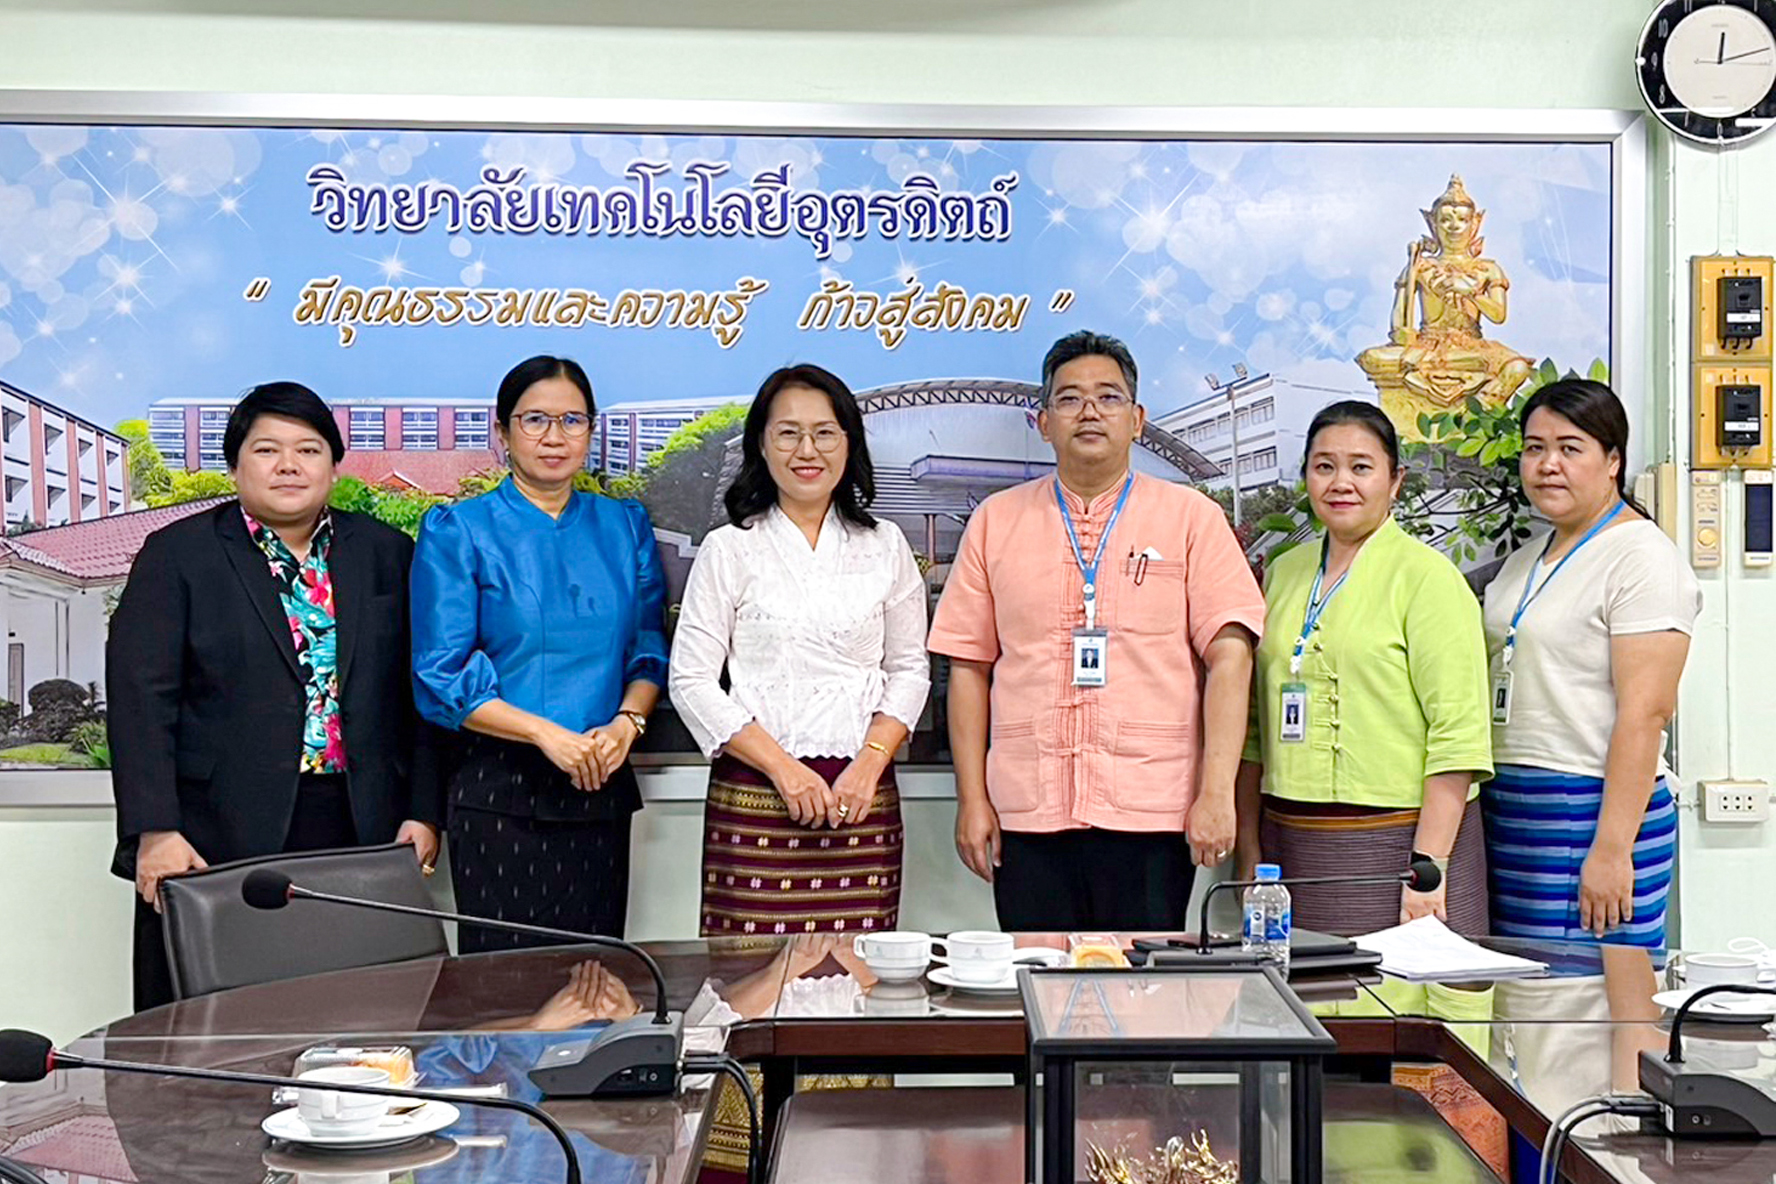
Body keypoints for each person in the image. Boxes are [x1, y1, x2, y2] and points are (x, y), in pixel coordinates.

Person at [107, 382, 442, 1011]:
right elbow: (140, 700)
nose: (289, 465)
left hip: (360, 825)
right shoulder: (177, 556)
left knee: (360, 1015)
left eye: (308, 450)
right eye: (267, 450)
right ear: (235, 465)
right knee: (219, 1026)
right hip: (215, 834)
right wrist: (156, 830)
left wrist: (424, 810)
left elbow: (419, 691)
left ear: (333, 464)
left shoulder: (387, 553)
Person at [927, 330, 1264, 930]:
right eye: (1069, 399)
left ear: (1137, 420)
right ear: (1043, 423)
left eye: (1108, 398)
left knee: (1141, 996)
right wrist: (973, 799)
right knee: (1038, 991)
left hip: (1152, 811)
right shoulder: (995, 522)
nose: (1089, 411)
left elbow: (1231, 657)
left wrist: (1216, 793)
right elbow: (969, 667)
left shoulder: (1192, 519)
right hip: (1027, 816)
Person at [411, 355, 667, 952]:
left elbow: (648, 650)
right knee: (505, 997)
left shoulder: (625, 526)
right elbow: (440, 677)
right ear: (501, 433)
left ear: (591, 431)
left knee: (599, 988)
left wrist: (627, 725)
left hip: (598, 788)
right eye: (535, 420)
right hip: (499, 793)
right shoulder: (459, 530)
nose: (555, 437)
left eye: (572, 420)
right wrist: (547, 735)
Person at [670, 364, 929, 936]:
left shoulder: (885, 546)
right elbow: (690, 679)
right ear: (761, 443)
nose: (806, 449)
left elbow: (910, 669)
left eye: (825, 432)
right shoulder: (729, 549)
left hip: (861, 800)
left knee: (860, 992)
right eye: (788, 432)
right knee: (748, 990)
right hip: (757, 797)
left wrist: (869, 765)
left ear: (848, 442)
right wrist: (785, 771)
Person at [1235, 401, 1493, 936]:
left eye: (1361, 466)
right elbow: (1255, 729)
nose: (1340, 482)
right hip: (1293, 843)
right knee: (1308, 1002)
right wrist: (1249, 846)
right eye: (1324, 466)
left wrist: (1428, 869)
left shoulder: (1428, 578)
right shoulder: (1284, 573)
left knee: (1408, 1007)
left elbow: (1459, 737)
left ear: (1395, 480)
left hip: (1406, 847)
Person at [1481, 379, 1698, 948]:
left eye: (1570, 448)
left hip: (1594, 810)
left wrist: (1611, 849)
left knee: (1595, 1007)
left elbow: (1646, 714)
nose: (1548, 464)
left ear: (1612, 461)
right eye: (1534, 447)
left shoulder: (1645, 558)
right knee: (1523, 1005)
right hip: (1511, 812)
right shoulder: (1526, 559)